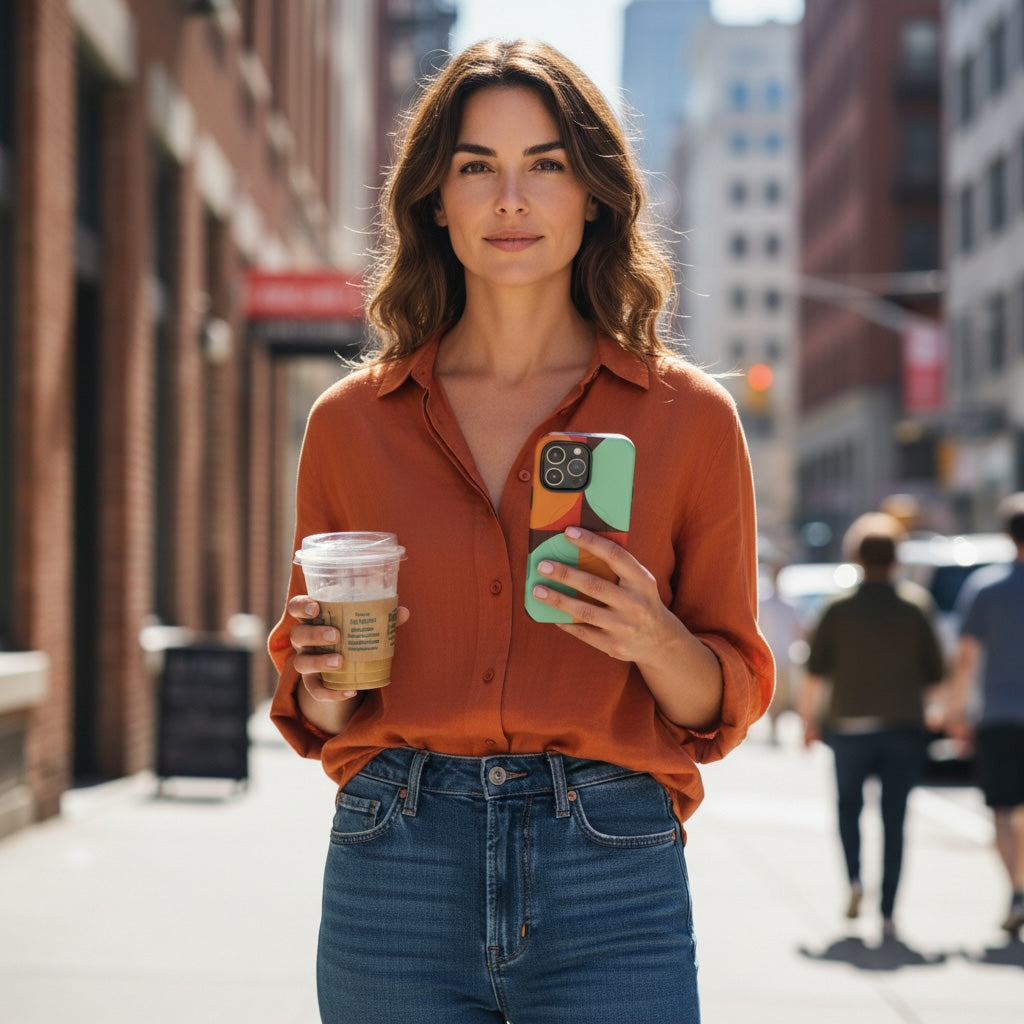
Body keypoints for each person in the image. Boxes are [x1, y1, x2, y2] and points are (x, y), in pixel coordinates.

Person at [268, 39, 773, 1024]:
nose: (511, 198)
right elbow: (321, 711)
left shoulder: (688, 417)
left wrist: (653, 638)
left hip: (611, 863)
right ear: (433, 200)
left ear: (592, 195)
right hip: (395, 860)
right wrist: (326, 678)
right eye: (475, 167)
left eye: (545, 164)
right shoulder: (349, 422)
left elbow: (726, 695)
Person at [798, 512, 944, 940]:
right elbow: (934, 673)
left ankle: (855, 880)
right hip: (903, 725)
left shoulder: (836, 608)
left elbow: (815, 673)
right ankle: (888, 911)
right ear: (897, 558)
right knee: (895, 819)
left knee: (848, 808)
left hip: (847, 725)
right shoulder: (916, 606)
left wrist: (808, 721)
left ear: (856, 557)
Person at [946, 492, 1024, 936]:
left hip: (997, 714)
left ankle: (1015, 890)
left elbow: (966, 658)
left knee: (1003, 809)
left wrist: (955, 711)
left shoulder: (986, 588)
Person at [758, 556, 804, 744]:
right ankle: (771, 725)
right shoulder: (763, 602)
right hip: (768, 655)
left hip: (784, 655)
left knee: (782, 694)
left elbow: (797, 630)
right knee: (770, 694)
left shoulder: (789, 605)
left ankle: (775, 725)